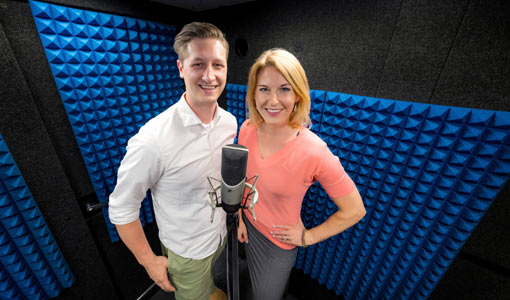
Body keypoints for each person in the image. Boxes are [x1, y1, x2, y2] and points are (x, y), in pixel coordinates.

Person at [108, 22, 236, 300]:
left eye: (218, 64)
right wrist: (149, 261)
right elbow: (121, 208)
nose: (210, 75)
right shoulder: (153, 139)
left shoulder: (230, 123)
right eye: (198, 64)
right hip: (187, 251)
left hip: (220, 235)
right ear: (181, 68)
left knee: (213, 287)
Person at [237, 48, 366, 300]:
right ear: (253, 93)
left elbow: (355, 210)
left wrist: (308, 237)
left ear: (298, 94)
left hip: (276, 242)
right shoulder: (248, 128)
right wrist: (239, 217)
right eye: (264, 89)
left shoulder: (314, 151)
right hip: (246, 226)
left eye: (284, 89)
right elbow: (245, 179)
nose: (273, 101)